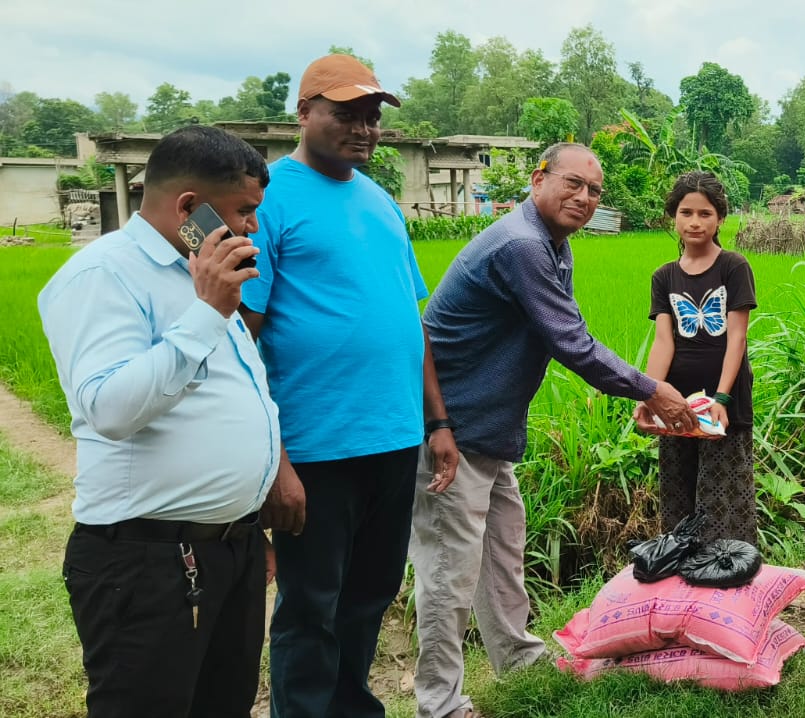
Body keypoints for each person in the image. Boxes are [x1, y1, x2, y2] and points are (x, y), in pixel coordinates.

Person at [411, 143, 696, 718]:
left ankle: (518, 660)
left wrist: (643, 389)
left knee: (502, 550)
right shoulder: (521, 245)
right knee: (449, 570)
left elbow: (562, 336)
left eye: (594, 191)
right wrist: (652, 390)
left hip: (488, 432)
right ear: (538, 179)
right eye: (573, 184)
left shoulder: (551, 244)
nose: (585, 198)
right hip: (451, 432)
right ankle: (438, 703)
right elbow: (570, 342)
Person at [38, 125, 292, 717]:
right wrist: (206, 312)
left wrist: (249, 519)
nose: (253, 226)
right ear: (188, 207)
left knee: (222, 704)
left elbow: (240, 395)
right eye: (243, 210)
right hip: (148, 561)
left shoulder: (199, 268)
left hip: (228, 549)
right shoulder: (103, 276)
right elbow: (110, 409)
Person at [239, 54, 460, 718]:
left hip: (392, 439)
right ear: (304, 113)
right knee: (311, 606)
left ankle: (351, 707)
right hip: (315, 447)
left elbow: (408, 321)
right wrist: (272, 458)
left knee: (369, 596)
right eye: (346, 114)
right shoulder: (267, 198)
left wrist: (438, 423)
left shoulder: (381, 202)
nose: (364, 130)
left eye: (372, 117)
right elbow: (240, 338)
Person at [637, 171, 759, 544]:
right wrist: (650, 396)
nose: (694, 222)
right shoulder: (664, 276)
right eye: (686, 212)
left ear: (720, 219)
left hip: (723, 400)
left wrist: (721, 398)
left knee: (722, 493)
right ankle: (682, 575)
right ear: (673, 217)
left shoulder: (733, 267)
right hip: (677, 400)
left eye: (705, 213)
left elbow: (736, 338)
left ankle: (725, 574)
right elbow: (663, 342)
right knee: (678, 488)